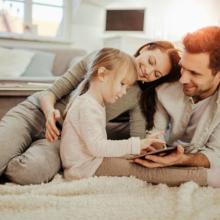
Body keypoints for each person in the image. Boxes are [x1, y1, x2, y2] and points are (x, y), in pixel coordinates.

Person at [0, 41, 180, 185]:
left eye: (156, 74)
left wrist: (149, 144)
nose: (148, 72)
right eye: (151, 61)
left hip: (61, 139)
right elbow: (50, 93)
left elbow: (137, 139)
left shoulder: (138, 98)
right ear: (145, 48)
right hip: (35, 114)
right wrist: (49, 115)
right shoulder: (105, 57)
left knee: (30, 172)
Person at [134, 26, 220, 187]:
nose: (182, 80)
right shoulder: (165, 91)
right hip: (168, 155)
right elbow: (155, 132)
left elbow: (216, 154)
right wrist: (153, 147)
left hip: (194, 162)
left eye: (194, 73)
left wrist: (183, 160)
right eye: (183, 67)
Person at [60, 48, 165, 180]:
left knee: (135, 161)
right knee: (143, 171)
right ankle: (190, 175)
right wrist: (137, 145)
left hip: (91, 162)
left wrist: (139, 146)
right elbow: (98, 147)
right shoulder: (86, 106)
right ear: (102, 74)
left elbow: (98, 146)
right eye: (122, 84)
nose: (123, 92)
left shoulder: (95, 103)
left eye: (126, 87)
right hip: (85, 168)